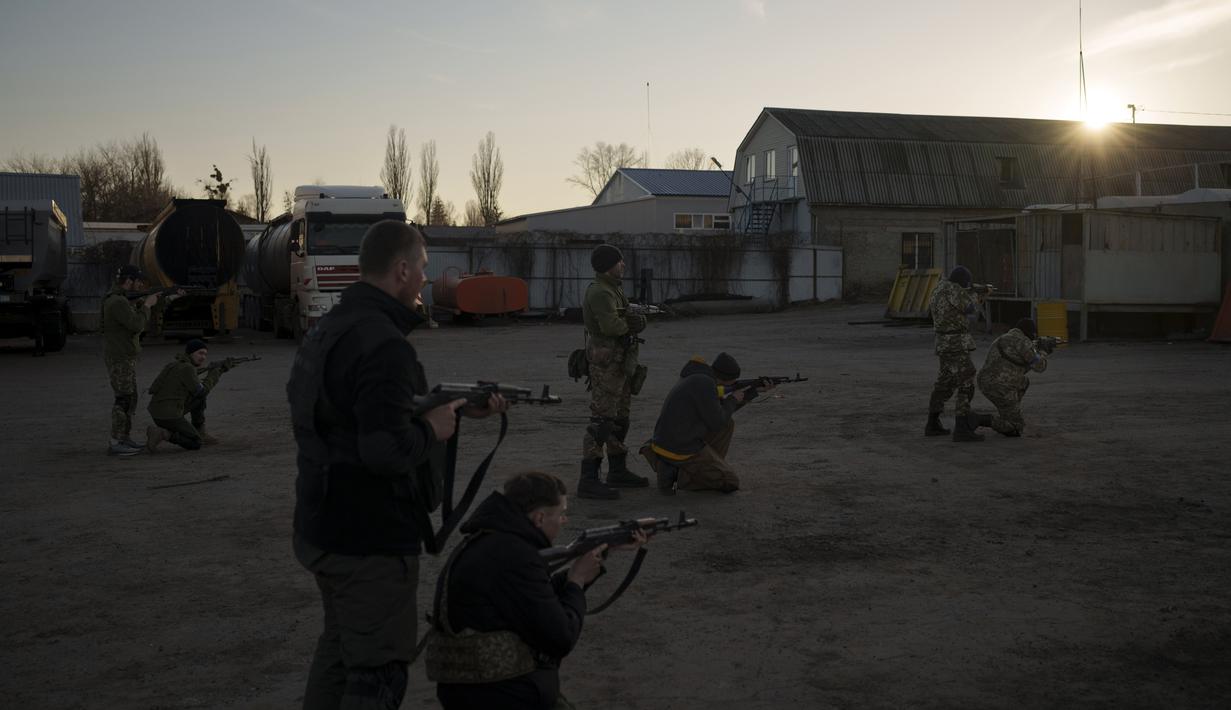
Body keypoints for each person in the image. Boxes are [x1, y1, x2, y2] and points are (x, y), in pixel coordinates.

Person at [287, 220, 507, 710]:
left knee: (341, 652)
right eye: (424, 269)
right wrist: (432, 430)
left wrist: (449, 410)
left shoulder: (334, 326)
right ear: (402, 269)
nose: (427, 280)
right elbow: (383, 452)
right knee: (377, 674)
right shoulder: (385, 344)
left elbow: (350, 413)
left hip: (325, 524)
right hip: (368, 540)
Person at [434, 471, 644, 710]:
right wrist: (576, 581)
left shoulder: (489, 540)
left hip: (474, 686)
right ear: (540, 518)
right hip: (500, 692)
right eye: (562, 513)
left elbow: (530, 597)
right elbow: (561, 637)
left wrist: (597, 559)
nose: (564, 520)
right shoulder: (515, 556)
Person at [577, 244, 649, 500]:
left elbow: (624, 319)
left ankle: (617, 470)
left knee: (619, 417)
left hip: (620, 363)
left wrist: (634, 319)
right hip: (606, 364)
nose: (624, 265)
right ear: (609, 264)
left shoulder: (613, 289)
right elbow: (611, 326)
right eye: (619, 261)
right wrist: (633, 323)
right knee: (602, 420)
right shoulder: (599, 292)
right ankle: (588, 479)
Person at [638, 353, 767, 494]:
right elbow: (717, 422)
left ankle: (700, 467)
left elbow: (720, 414)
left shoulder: (698, 377)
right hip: (680, 447)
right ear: (725, 379)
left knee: (727, 424)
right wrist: (732, 400)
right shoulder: (704, 383)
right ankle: (676, 475)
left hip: (672, 439)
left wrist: (752, 392)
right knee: (729, 481)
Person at [101, 264, 177, 456]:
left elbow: (144, 311)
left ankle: (123, 438)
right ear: (129, 281)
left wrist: (170, 297)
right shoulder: (117, 302)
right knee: (124, 399)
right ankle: (116, 441)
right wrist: (147, 305)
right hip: (120, 358)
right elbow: (136, 324)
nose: (141, 284)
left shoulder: (122, 300)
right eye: (138, 281)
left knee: (130, 397)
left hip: (125, 356)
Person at [925, 265, 987, 442]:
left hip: (943, 343)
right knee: (967, 377)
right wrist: (979, 295)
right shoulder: (955, 290)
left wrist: (974, 290)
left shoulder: (939, 288)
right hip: (955, 343)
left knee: (945, 380)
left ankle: (932, 422)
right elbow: (969, 308)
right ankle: (961, 427)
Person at [144, 339, 230, 452]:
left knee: (200, 399)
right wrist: (215, 373)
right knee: (196, 442)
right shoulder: (187, 368)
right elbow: (201, 391)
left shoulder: (173, 365)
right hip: (170, 415)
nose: (203, 357)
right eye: (200, 353)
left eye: (205, 354)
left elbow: (154, 388)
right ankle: (163, 434)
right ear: (190, 353)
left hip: (157, 413)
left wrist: (211, 368)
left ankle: (200, 431)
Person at [976, 318, 1050, 437]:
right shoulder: (1023, 342)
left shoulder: (1003, 338)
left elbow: (1017, 367)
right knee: (1016, 427)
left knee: (1023, 382)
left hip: (985, 382)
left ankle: (1009, 412)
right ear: (1030, 332)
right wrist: (1044, 352)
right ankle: (979, 419)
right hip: (1001, 386)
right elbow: (1039, 367)